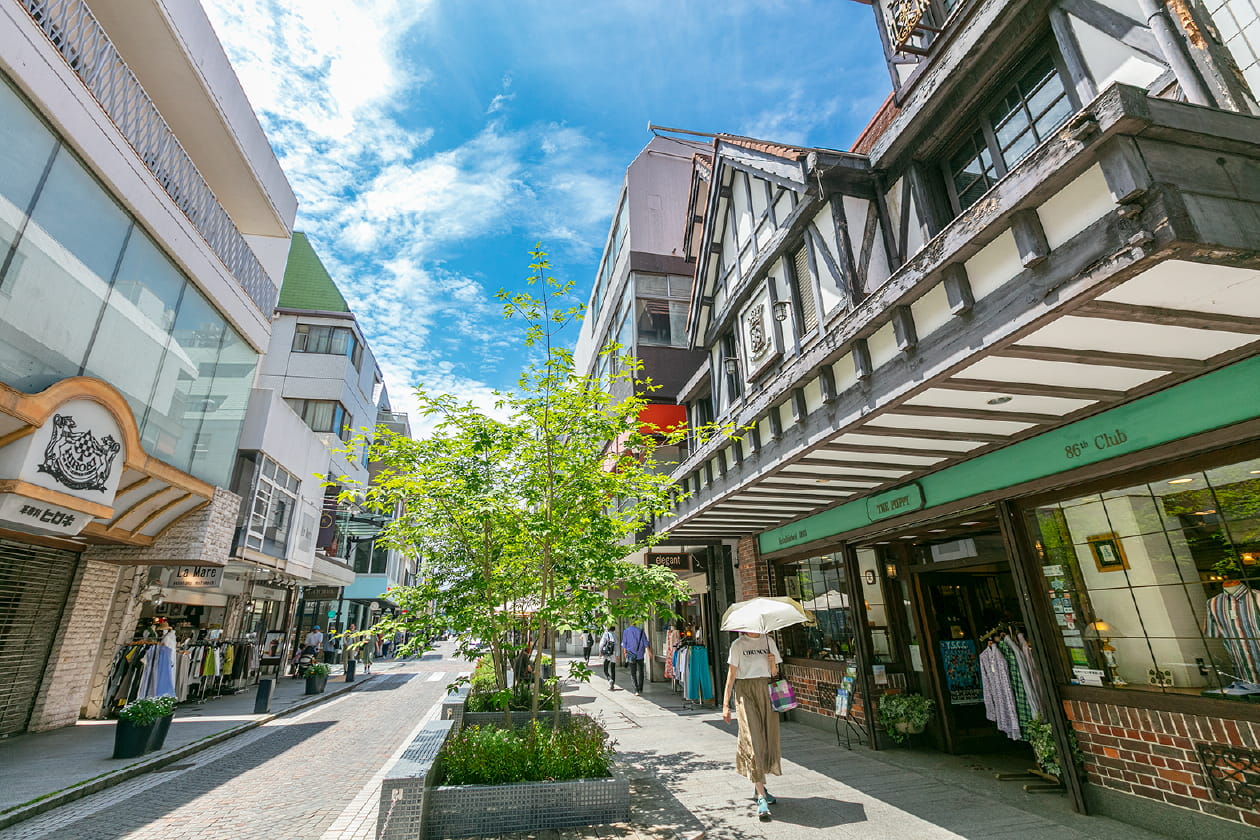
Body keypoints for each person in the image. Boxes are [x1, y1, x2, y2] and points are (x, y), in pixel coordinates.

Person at [722, 631, 784, 822]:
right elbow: (732, 675)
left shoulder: (769, 641)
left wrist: (772, 663)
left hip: (766, 691)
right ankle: (761, 797)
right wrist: (725, 705)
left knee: (767, 738)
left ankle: (759, 785)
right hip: (745, 692)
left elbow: (775, 674)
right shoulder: (738, 645)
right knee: (752, 739)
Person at [621, 622, 651, 695]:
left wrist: (625, 653)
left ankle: (636, 689)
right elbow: (645, 642)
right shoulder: (641, 631)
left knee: (633, 673)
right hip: (640, 654)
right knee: (641, 672)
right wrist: (649, 652)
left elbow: (624, 643)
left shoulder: (626, 631)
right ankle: (640, 688)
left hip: (631, 654)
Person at [599, 625, 618, 690]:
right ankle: (613, 683)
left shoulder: (606, 634)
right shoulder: (615, 635)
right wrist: (617, 655)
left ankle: (609, 679)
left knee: (605, 669)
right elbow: (616, 645)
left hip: (607, 654)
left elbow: (601, 644)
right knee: (613, 669)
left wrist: (600, 652)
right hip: (613, 654)